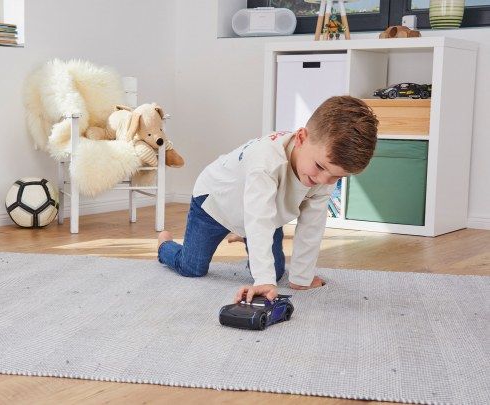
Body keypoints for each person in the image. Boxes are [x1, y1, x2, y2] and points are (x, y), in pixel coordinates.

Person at [157, 96, 378, 303]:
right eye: (319, 167)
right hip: (215, 203)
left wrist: (301, 278)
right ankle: (164, 244)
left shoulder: (325, 174)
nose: (324, 180)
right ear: (301, 138)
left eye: (338, 177)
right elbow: (259, 218)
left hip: (262, 212)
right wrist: (263, 280)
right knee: (192, 267)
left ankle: (246, 233)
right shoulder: (266, 162)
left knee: (277, 272)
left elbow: (312, 225)